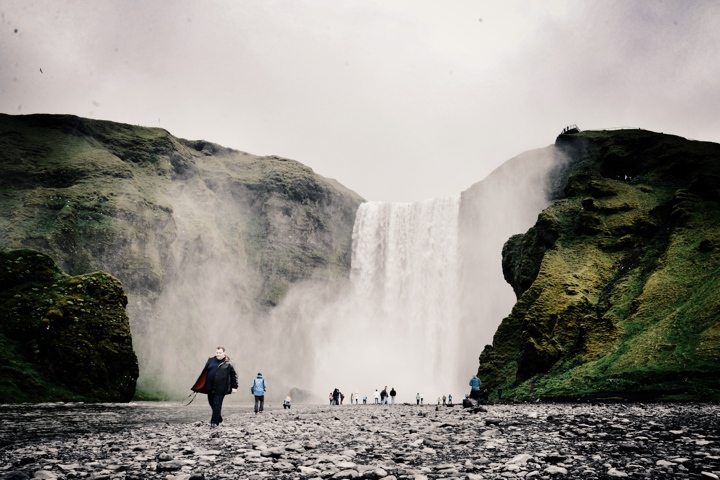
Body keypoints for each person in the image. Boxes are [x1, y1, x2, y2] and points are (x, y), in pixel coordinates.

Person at [191, 346, 239, 428]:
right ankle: (218, 417)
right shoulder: (211, 360)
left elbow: (234, 375)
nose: (218, 354)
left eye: (220, 353)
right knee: (212, 403)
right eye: (217, 352)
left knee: (217, 404)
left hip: (221, 387)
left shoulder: (229, 362)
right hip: (209, 387)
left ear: (224, 353)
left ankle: (214, 422)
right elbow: (205, 372)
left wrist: (235, 387)